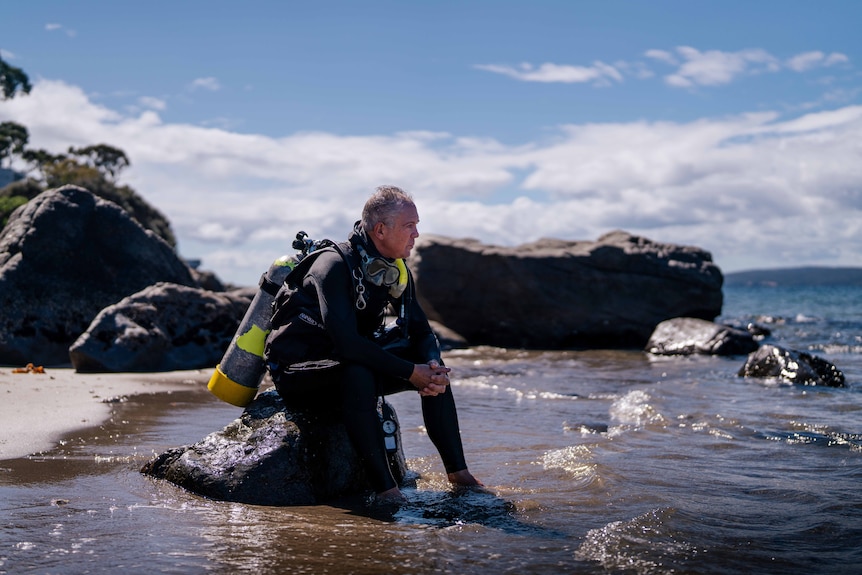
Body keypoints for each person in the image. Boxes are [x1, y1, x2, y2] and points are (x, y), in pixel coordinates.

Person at [264, 185, 481, 503]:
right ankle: (387, 491)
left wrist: (431, 365)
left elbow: (421, 331)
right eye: (409, 226)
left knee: (432, 369)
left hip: (346, 361)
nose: (417, 234)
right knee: (359, 371)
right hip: (298, 370)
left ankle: (459, 475)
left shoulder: (395, 268)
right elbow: (348, 344)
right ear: (380, 230)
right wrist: (410, 373)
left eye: (416, 225)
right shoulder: (333, 265)